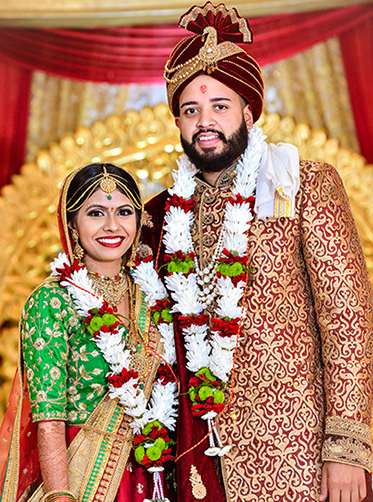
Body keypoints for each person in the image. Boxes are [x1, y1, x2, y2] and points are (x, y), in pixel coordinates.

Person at [141, 2, 373, 502]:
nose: (205, 121)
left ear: (248, 111)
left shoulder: (302, 183)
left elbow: (348, 321)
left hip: (300, 451)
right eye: (191, 110)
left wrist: (348, 448)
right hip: (199, 455)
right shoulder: (161, 215)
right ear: (179, 123)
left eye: (220, 107)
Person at [0, 163, 177, 502]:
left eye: (124, 212)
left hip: (154, 474)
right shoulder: (52, 300)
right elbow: (49, 418)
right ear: (72, 224)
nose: (113, 226)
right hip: (82, 477)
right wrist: (60, 495)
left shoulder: (153, 294)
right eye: (96, 213)